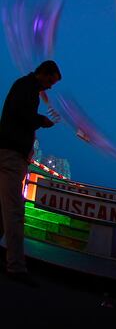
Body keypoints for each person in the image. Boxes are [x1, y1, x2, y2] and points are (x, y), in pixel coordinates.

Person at [0, 61, 61, 286]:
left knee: (2, 209)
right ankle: (16, 267)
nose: (50, 87)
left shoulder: (23, 86)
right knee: (15, 211)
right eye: (50, 81)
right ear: (43, 74)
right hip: (12, 155)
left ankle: (10, 260)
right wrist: (41, 121)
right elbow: (22, 114)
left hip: (6, 151)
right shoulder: (28, 88)